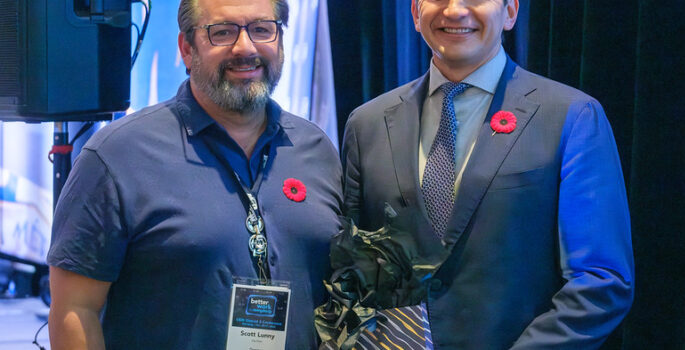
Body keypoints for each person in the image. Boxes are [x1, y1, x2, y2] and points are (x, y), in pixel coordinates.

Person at [46, 0, 342, 348]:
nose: (245, 48)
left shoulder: (316, 149)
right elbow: (75, 309)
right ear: (187, 48)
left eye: (263, 29)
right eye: (223, 32)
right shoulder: (116, 156)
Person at [342, 0, 634, 348]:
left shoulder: (571, 117)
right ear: (415, 13)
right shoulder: (367, 124)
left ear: (511, 11)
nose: (454, 11)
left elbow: (601, 281)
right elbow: (352, 272)